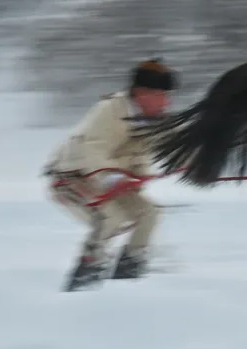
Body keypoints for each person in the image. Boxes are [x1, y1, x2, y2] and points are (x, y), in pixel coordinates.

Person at [44, 58, 178, 291]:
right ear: (141, 93)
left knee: (150, 213)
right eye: (162, 94)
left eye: (168, 95)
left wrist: (138, 176)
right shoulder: (110, 111)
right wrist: (113, 177)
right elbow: (91, 148)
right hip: (72, 178)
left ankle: (129, 274)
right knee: (111, 218)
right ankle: (85, 278)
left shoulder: (149, 120)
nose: (167, 101)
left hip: (112, 181)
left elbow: (141, 154)